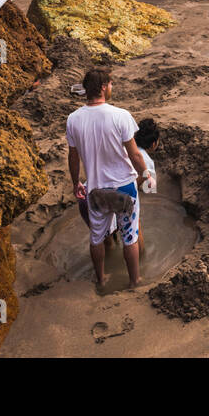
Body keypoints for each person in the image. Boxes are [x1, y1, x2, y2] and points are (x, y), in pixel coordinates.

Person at [65, 69, 153, 288]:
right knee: (130, 236)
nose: (112, 88)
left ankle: (101, 279)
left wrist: (76, 182)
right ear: (104, 87)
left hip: (95, 189)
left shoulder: (73, 119)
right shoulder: (121, 115)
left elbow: (73, 156)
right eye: (111, 84)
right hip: (124, 186)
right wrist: (146, 174)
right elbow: (134, 154)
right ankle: (135, 280)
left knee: (97, 238)